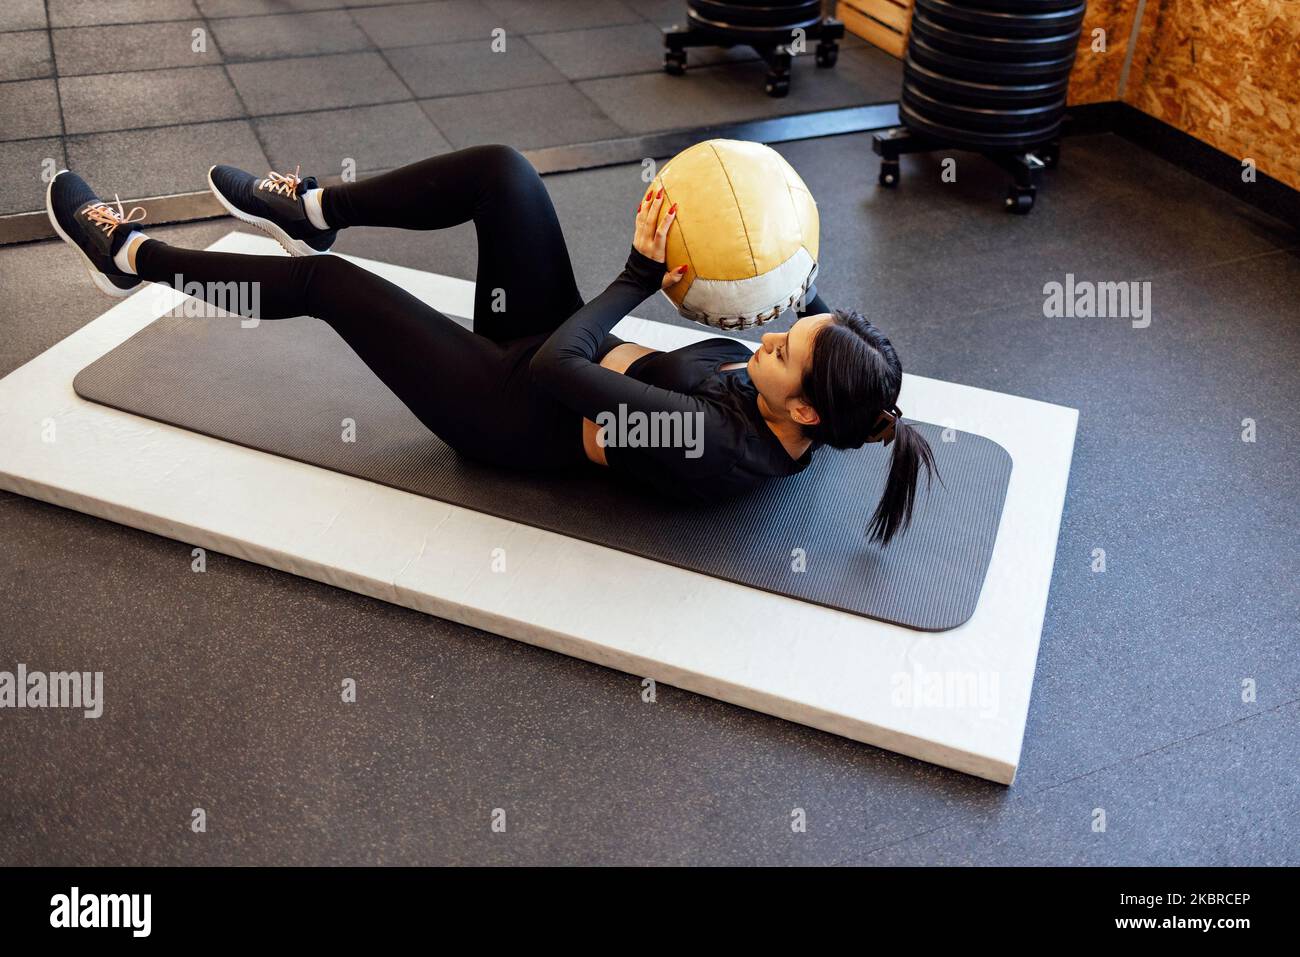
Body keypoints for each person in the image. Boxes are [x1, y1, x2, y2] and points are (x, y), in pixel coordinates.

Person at [47, 144, 935, 544]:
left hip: (512, 405)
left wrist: (635, 275)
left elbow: (559, 371)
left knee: (333, 291)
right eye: (791, 324)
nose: (774, 335)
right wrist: (773, 242)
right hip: (553, 346)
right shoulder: (819, 394)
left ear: (804, 411)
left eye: (783, 348)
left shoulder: (713, 442)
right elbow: (805, 305)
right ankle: (317, 209)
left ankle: (132, 257)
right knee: (505, 172)